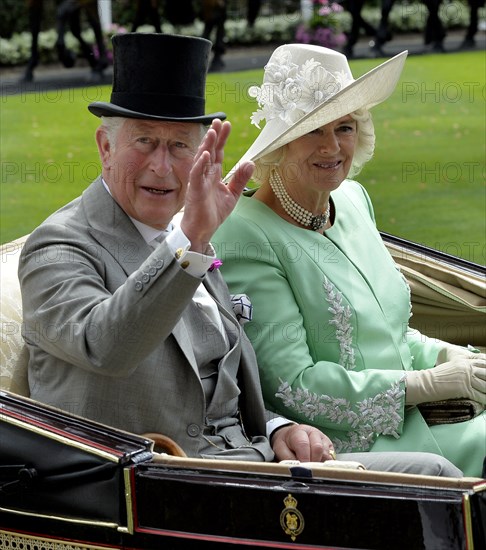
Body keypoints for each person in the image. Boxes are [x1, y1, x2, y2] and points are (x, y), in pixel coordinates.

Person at [18, 33, 462, 477]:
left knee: (435, 473)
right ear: (105, 146)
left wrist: (278, 428)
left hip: (250, 459)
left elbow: (220, 385)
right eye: (145, 142)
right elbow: (107, 347)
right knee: (436, 480)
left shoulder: (186, 236)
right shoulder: (59, 246)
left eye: (180, 147)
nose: (162, 166)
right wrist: (188, 242)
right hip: (151, 482)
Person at [212, 43, 486, 478]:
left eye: (344, 127)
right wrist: (426, 384)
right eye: (313, 130)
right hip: (346, 442)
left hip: (432, 413)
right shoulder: (243, 233)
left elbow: (386, 335)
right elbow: (292, 386)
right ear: (280, 143)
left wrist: (444, 355)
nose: (332, 146)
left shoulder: (353, 199)